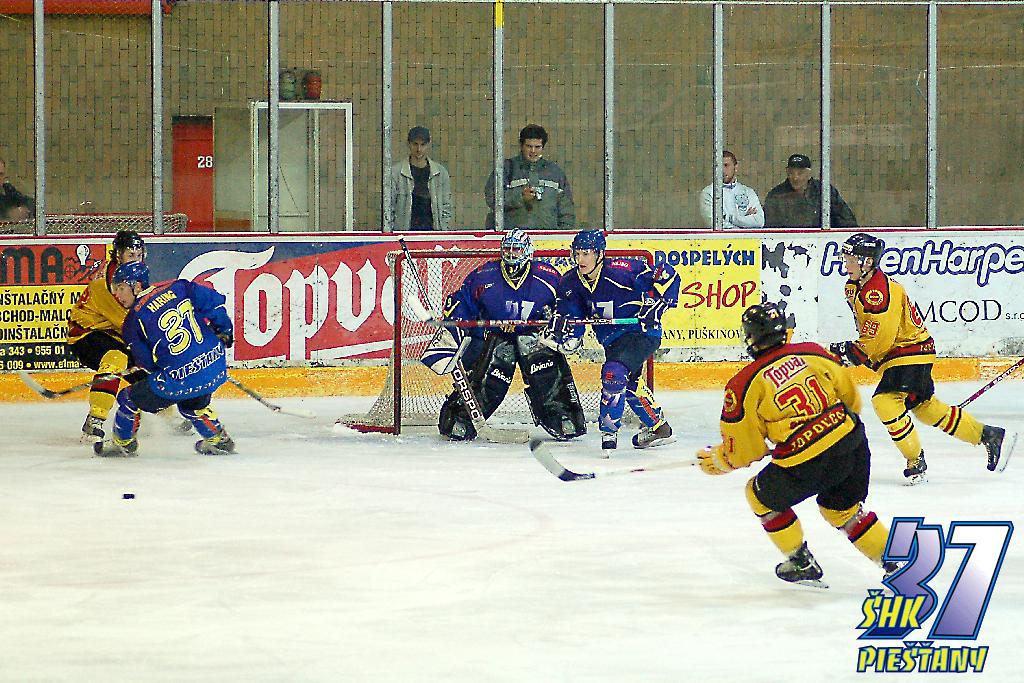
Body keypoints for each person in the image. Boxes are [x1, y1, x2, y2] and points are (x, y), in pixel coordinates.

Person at [697, 302, 899, 588]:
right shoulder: (813, 352)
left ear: (750, 337)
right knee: (842, 509)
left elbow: (744, 451)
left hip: (806, 462)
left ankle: (800, 561)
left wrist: (719, 460)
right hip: (852, 443)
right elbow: (851, 398)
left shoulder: (743, 384)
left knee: (759, 495)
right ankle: (897, 564)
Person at [829, 233, 1012, 484]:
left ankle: (915, 460)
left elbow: (879, 340)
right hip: (907, 352)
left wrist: (853, 352)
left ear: (867, 262)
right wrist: (854, 352)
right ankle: (988, 435)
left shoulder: (878, 292)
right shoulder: (855, 286)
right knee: (926, 408)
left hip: (909, 351)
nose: (846, 264)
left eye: (851, 259)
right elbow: (874, 335)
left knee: (885, 401)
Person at [435, 229, 586, 442]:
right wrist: (454, 319)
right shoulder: (484, 275)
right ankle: (461, 417)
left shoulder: (548, 276)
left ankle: (562, 414)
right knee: (490, 379)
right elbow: (463, 302)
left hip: (533, 337)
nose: (512, 254)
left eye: (517, 249)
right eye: (507, 249)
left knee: (545, 370)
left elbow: (567, 304)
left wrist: (562, 321)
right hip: (494, 338)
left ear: (528, 251)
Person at [547, 229, 679, 454]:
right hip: (612, 340)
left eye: (586, 254)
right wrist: (569, 333)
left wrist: (660, 305)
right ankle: (659, 427)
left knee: (613, 374)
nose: (580, 259)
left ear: (600, 254)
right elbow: (574, 316)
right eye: (577, 254)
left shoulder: (622, 271)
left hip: (641, 332)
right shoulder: (570, 282)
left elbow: (669, 276)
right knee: (628, 383)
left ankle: (609, 434)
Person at [107, 261, 236, 456]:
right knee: (191, 404)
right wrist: (225, 330)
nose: (117, 294)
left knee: (128, 398)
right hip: (215, 366)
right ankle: (218, 440)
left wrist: (163, 369)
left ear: (137, 286)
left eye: (121, 288)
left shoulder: (133, 322)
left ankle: (123, 443)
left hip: (181, 378)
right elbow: (214, 302)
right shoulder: (180, 287)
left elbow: (146, 363)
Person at [67, 230, 147, 452]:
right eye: (130, 255)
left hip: (114, 334)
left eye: (138, 254)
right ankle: (95, 419)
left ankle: (167, 415)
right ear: (118, 255)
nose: (135, 259)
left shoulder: (134, 276)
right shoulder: (107, 284)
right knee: (116, 358)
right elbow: (130, 324)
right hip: (86, 335)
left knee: (146, 372)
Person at [485, 124, 575, 231]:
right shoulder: (506, 169)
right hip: (513, 237)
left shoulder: (555, 173)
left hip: (548, 237)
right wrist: (520, 197)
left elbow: (566, 210)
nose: (533, 151)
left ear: (543, 147)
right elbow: (492, 198)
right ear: (521, 146)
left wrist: (563, 234)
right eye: (529, 146)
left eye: (537, 147)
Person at [763, 153, 857, 229]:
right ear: (787, 172)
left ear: (809, 174)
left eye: (800, 173)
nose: (795, 178)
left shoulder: (824, 191)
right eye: (791, 173)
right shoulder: (776, 195)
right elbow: (770, 228)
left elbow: (846, 220)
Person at [389, 126, 453, 231]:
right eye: (415, 144)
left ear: (428, 145)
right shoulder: (395, 173)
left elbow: (447, 206)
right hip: (404, 234)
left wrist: (443, 230)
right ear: (409, 144)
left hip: (433, 233)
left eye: (423, 145)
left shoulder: (441, 173)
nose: (419, 149)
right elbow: (389, 207)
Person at [699, 150, 764, 229]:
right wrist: (745, 221)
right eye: (718, 166)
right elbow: (716, 225)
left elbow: (759, 221)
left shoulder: (748, 192)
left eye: (726, 165)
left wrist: (729, 218)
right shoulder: (708, 193)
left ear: (735, 167)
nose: (722, 170)